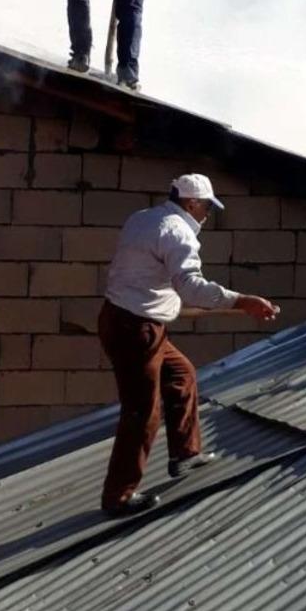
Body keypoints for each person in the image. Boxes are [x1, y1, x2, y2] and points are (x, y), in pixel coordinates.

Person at [98, 174, 279, 516]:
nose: (208, 214)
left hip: (123, 319)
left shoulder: (143, 219)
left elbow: (146, 277)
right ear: (192, 203)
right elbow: (191, 287)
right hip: (138, 329)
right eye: (207, 206)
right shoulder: (178, 233)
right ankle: (118, 496)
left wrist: (165, 305)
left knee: (181, 375)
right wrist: (242, 300)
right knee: (142, 411)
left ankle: (185, 454)